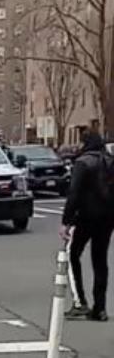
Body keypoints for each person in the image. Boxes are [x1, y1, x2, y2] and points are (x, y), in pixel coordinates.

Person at [60, 131, 114, 322]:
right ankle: (100, 308)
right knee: (100, 260)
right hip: (107, 217)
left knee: (73, 254)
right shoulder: (110, 161)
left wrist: (66, 222)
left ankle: (79, 301)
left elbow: (74, 194)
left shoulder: (82, 163)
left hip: (85, 216)